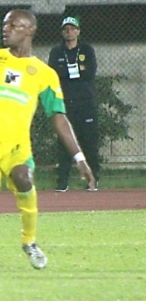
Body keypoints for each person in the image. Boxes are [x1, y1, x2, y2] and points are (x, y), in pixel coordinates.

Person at [0, 9, 96, 274]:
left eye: (14, 25)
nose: (6, 29)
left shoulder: (44, 73)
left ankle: (29, 242)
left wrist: (79, 158)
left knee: (25, 180)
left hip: (16, 142)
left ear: (30, 30)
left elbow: (58, 118)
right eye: (5, 24)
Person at [48, 16, 100, 191]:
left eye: (72, 28)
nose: (69, 32)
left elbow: (89, 73)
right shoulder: (57, 52)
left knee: (89, 142)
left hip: (85, 103)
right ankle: (62, 182)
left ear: (78, 31)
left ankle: (93, 181)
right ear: (62, 32)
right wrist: (74, 73)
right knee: (64, 143)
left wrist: (68, 74)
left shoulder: (87, 50)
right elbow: (54, 74)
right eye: (66, 29)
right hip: (65, 103)